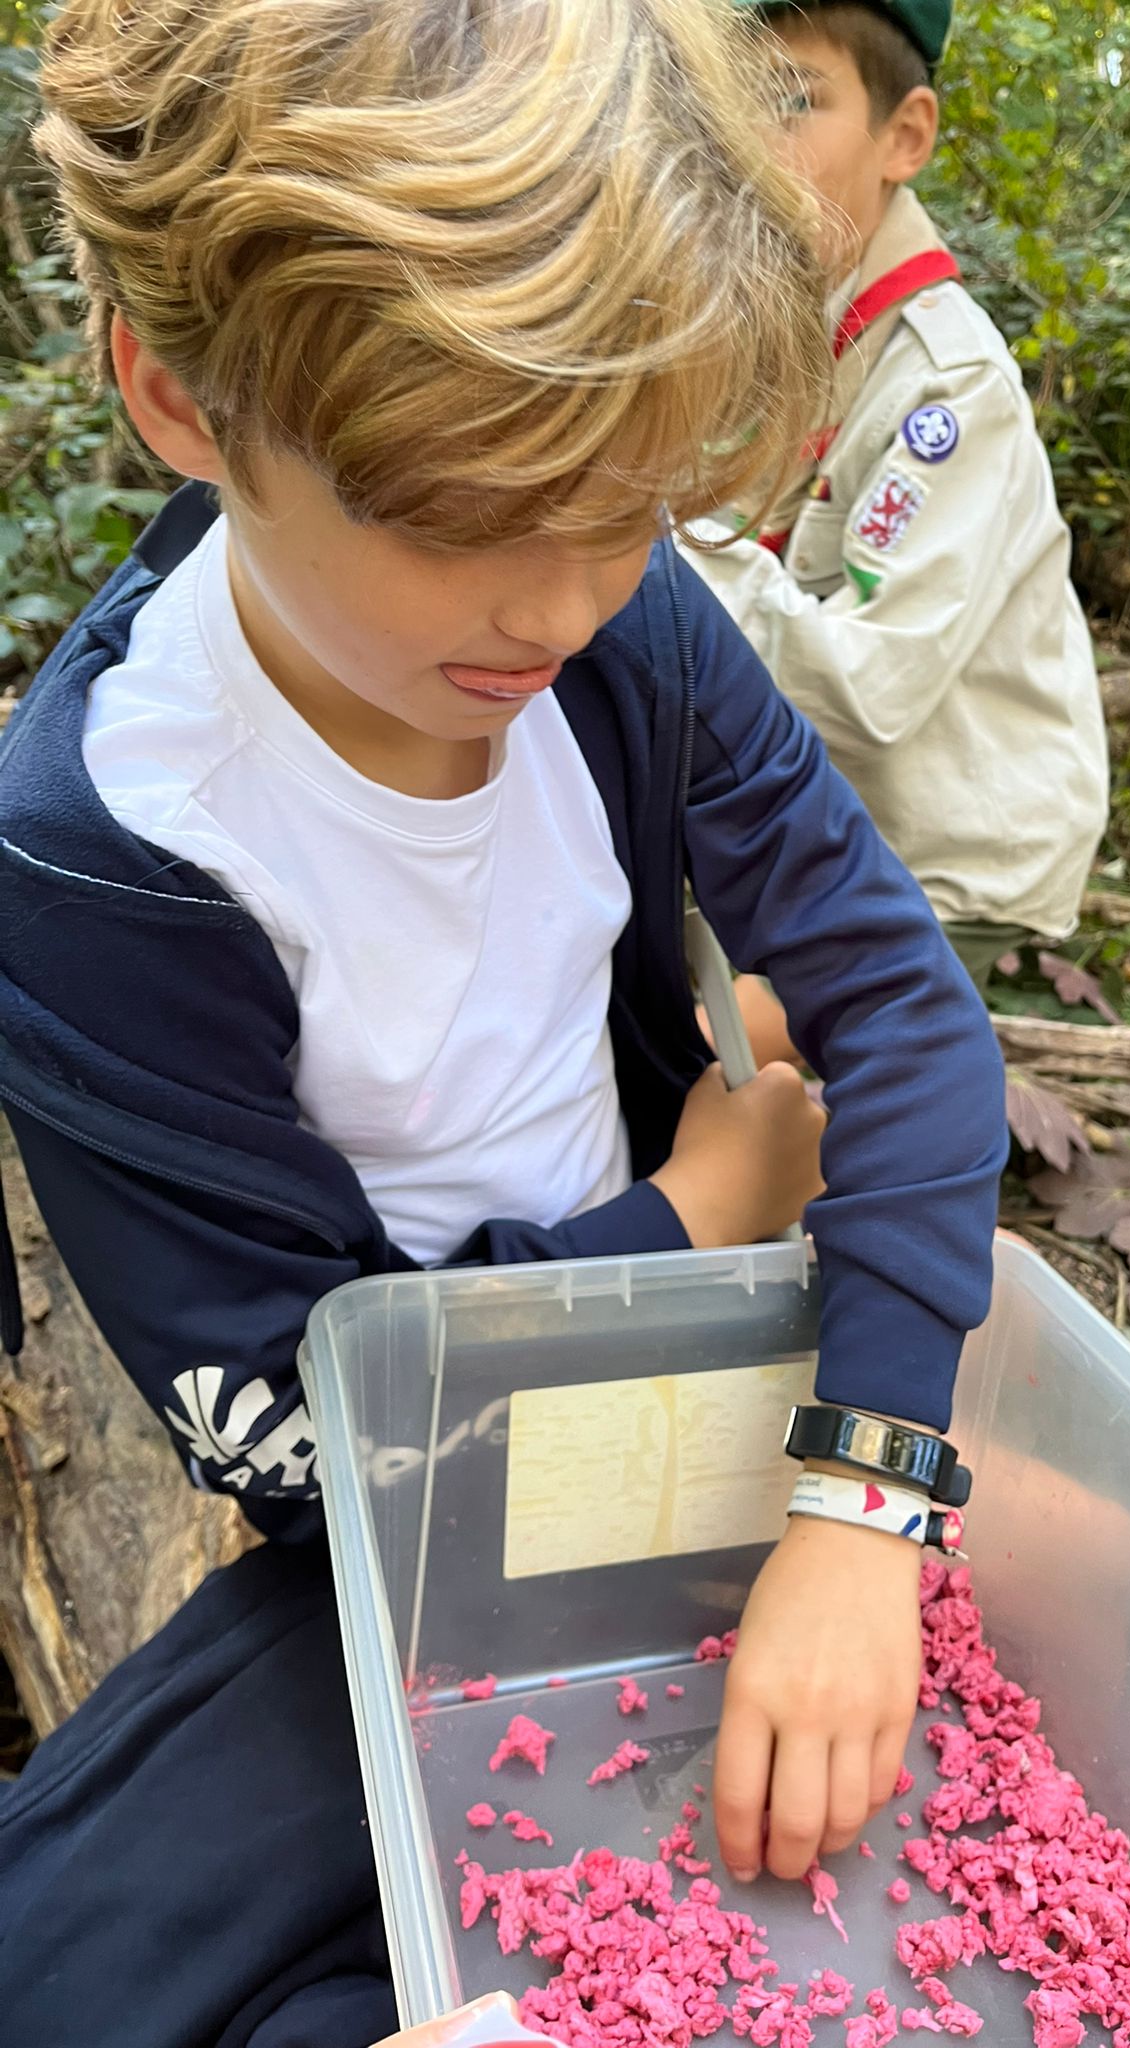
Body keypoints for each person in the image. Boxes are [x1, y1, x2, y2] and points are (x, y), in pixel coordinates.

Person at [0, 1, 1005, 2041]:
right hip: (421, 1502)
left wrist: (867, 1504)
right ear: (183, 397)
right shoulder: (102, 858)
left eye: (626, 508)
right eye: (460, 518)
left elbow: (904, 1004)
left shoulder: (622, 619)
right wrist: (704, 1199)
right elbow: (314, 1446)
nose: (554, 608)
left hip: (719, 1385)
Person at [689, 0, 1109, 1062]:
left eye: (793, 101)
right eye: (733, 100)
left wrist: (659, 538)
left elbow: (869, 693)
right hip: (815, 824)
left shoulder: (947, 384)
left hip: (941, 853)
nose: (750, 137)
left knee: (706, 1058)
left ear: (905, 136)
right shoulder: (785, 326)